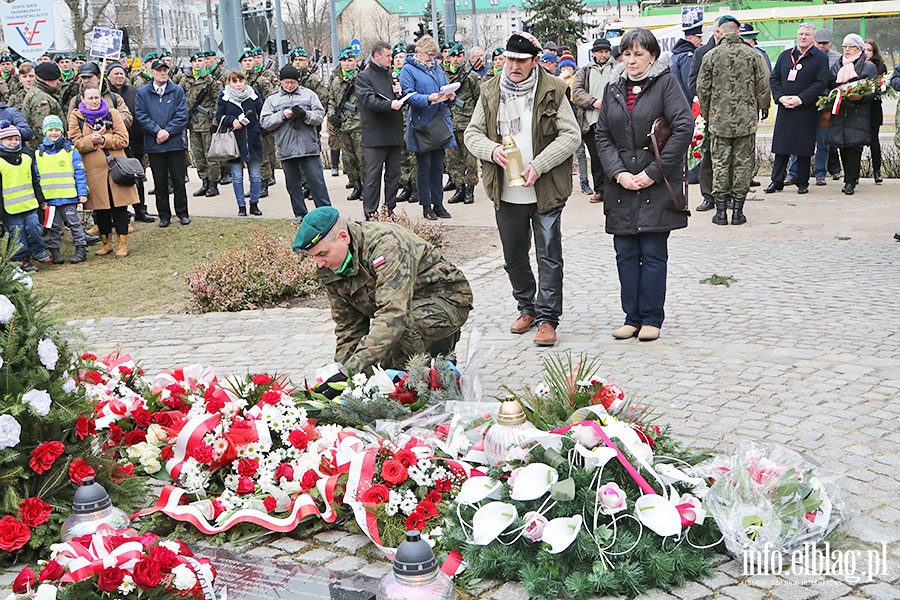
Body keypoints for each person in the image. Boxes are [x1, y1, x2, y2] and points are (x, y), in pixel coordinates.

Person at [465, 31, 580, 347]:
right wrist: (491, 151)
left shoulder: (553, 90)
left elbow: (571, 136)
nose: (513, 66)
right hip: (506, 190)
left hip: (545, 188)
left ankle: (546, 319)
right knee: (514, 256)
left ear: (534, 61)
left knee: (549, 255)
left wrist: (539, 165)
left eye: (520, 60)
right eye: (509, 59)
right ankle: (526, 308)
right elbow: (471, 133)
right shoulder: (490, 91)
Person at [293, 206, 472, 386]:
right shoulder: (332, 267)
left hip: (446, 300)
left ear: (343, 237)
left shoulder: (387, 246)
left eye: (322, 254)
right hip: (406, 305)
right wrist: (346, 379)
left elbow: (393, 315)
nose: (320, 263)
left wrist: (352, 371)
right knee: (378, 359)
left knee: (400, 334)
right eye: (313, 257)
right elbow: (349, 327)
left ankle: (417, 385)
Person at [594, 28, 693, 343]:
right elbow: (603, 135)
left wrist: (652, 172)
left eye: (638, 54)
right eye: (627, 54)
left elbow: (683, 127)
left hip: (655, 183)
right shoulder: (613, 88)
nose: (631, 60)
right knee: (624, 252)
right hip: (621, 186)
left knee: (652, 253)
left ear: (652, 56)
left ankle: (651, 317)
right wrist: (617, 172)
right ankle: (631, 317)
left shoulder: (665, 84)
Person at [697, 15, 770, 226]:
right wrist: (763, 106)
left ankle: (720, 212)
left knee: (720, 164)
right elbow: (763, 84)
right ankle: (737, 212)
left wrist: (707, 113)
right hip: (746, 120)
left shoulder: (710, 56)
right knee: (742, 165)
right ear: (738, 32)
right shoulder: (753, 55)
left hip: (719, 121)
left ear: (721, 32)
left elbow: (702, 89)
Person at [69, 85, 139, 257]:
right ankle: (106, 243)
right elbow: (75, 142)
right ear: (82, 99)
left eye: (96, 98)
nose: (94, 101)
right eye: (90, 98)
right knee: (101, 210)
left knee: (120, 207)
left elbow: (123, 139)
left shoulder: (113, 113)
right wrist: (90, 140)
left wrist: (104, 139)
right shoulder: (76, 117)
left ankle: (122, 243)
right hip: (93, 171)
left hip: (116, 168)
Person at [261, 64, 331, 224]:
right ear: (280, 82)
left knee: (317, 182)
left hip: (309, 147)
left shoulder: (309, 95)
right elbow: (264, 121)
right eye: (286, 82)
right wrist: (282, 115)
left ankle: (325, 213)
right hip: (286, 148)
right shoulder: (272, 99)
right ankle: (300, 214)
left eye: (293, 82)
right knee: (293, 185)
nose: (290, 85)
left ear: (298, 82)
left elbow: (320, 116)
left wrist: (305, 115)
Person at [765, 23, 829, 195]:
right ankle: (776, 181)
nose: (803, 37)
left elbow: (821, 82)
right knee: (781, 146)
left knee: (803, 147)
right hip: (785, 107)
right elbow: (774, 79)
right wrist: (780, 97)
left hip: (805, 108)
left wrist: (801, 99)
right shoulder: (786, 56)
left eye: (807, 34)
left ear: (813, 38)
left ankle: (802, 182)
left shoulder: (820, 58)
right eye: (800, 34)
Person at [400, 35, 457, 221]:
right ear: (418, 52)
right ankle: (426, 206)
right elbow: (408, 96)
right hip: (422, 125)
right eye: (429, 55)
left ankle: (439, 203)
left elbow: (444, 87)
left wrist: (450, 96)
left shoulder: (437, 69)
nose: (432, 58)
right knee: (424, 167)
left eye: (434, 55)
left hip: (439, 122)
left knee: (438, 167)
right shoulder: (408, 70)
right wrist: (428, 99)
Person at [134, 59, 191, 228]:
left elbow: (182, 115)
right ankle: (164, 215)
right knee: (160, 182)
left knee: (178, 180)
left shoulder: (177, 91)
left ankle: (182, 213)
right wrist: (157, 131)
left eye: (165, 70)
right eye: (159, 70)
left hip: (174, 144)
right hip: (155, 145)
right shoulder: (143, 93)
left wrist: (167, 132)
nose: (163, 73)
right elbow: (141, 115)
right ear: (152, 73)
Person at [354, 41, 404, 220]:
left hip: (393, 133)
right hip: (375, 136)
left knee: (393, 176)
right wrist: (390, 104)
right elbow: (368, 100)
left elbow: (395, 97)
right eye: (388, 56)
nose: (391, 59)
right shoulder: (364, 77)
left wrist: (399, 93)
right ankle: (371, 213)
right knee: (373, 177)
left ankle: (389, 210)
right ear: (377, 56)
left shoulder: (391, 75)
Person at [826, 34, 877, 196]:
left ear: (859, 48)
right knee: (842, 146)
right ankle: (849, 177)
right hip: (840, 113)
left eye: (851, 47)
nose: (847, 50)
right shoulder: (837, 65)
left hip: (857, 113)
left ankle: (850, 181)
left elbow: (871, 91)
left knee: (854, 147)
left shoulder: (867, 66)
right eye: (844, 47)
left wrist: (858, 95)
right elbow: (829, 84)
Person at [35, 115, 88, 263]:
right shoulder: (39, 154)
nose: (54, 133)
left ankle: (81, 248)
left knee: (74, 223)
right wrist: (41, 199)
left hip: (68, 196)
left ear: (62, 131)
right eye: (50, 130)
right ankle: (55, 252)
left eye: (57, 129)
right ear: (45, 132)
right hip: (50, 199)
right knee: (53, 226)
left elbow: (79, 172)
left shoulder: (70, 150)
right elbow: (37, 178)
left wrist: (82, 192)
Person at [106, 61, 155, 223]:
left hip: (136, 141)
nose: (119, 76)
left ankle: (140, 209)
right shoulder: (106, 95)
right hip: (116, 144)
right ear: (108, 76)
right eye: (116, 73)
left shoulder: (135, 92)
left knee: (138, 177)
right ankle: (122, 212)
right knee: (119, 178)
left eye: (121, 73)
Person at [215, 70, 264, 216]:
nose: (238, 84)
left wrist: (257, 129)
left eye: (240, 81)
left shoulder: (253, 95)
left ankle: (254, 204)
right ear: (229, 83)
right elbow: (219, 116)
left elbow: (263, 113)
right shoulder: (224, 97)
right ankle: (241, 206)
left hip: (252, 140)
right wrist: (232, 121)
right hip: (234, 142)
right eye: (234, 81)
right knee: (237, 176)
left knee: (255, 175)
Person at [0, 121, 48, 272]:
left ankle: (39, 251)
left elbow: (35, 181)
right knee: (17, 234)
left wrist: (42, 201)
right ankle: (22, 259)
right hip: (10, 209)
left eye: (16, 139)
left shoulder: (27, 158)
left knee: (34, 227)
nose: (14, 142)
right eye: (9, 139)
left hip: (29, 204)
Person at [572, 38, 615, 204]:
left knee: (613, 156)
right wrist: (593, 102)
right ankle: (600, 190)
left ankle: (614, 189)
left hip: (612, 119)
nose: (603, 55)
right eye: (600, 52)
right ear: (594, 53)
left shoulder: (617, 68)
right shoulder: (585, 71)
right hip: (591, 121)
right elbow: (576, 92)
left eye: (606, 51)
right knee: (596, 158)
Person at [326, 46, 365, 202]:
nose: (347, 64)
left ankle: (365, 186)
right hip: (342, 125)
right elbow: (331, 99)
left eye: (350, 61)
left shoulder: (361, 77)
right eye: (344, 61)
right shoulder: (336, 80)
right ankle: (356, 185)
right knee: (348, 159)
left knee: (362, 158)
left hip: (358, 125)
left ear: (355, 61)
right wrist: (332, 116)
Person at [182, 51, 223, 198]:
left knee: (210, 155)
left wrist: (214, 120)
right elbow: (181, 99)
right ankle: (204, 181)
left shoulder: (210, 81)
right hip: (193, 123)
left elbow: (219, 102)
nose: (198, 63)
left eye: (200, 61)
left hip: (207, 122)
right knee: (198, 155)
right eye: (195, 61)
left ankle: (213, 183)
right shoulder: (185, 80)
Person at [443, 44, 480, 205]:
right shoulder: (443, 76)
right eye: (453, 56)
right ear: (449, 58)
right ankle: (459, 188)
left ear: (464, 58)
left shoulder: (470, 77)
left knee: (470, 160)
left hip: (466, 123)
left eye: (459, 56)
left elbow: (478, 99)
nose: (456, 59)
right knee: (452, 159)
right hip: (449, 123)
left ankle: (469, 189)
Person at [813, 29, 843, 184]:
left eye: (825, 43)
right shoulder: (808, 56)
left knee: (825, 141)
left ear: (830, 42)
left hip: (828, 105)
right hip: (809, 103)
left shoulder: (837, 58)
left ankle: (821, 173)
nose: (821, 46)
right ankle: (795, 173)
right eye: (819, 42)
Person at [21, 62, 64, 151]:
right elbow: (41, 128)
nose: (58, 82)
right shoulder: (41, 98)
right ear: (46, 80)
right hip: (45, 149)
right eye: (56, 79)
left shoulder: (40, 92)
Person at [864, 39, 887, 184]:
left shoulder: (880, 67)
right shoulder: (856, 65)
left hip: (873, 109)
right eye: (864, 49)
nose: (866, 53)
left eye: (869, 50)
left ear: (874, 52)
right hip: (859, 109)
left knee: (874, 141)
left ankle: (877, 171)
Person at [671, 22, 703, 100]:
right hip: (687, 102)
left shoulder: (675, 55)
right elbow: (690, 84)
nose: (701, 40)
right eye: (698, 37)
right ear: (690, 38)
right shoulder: (687, 56)